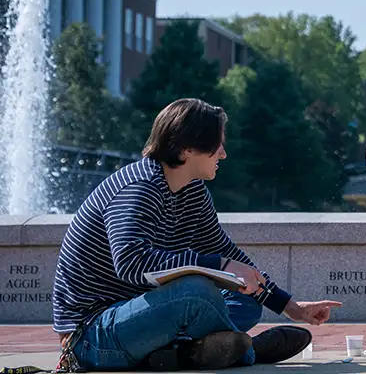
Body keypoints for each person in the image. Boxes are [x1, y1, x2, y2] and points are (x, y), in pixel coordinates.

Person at [52, 98, 342, 371]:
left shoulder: (191, 190)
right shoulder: (139, 188)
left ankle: (182, 353)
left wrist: (289, 306)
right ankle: (248, 351)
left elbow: (224, 251)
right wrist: (219, 266)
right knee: (196, 291)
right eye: (217, 146)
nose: (224, 153)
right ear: (186, 150)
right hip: (91, 335)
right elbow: (130, 263)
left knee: (247, 295)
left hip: (146, 315)